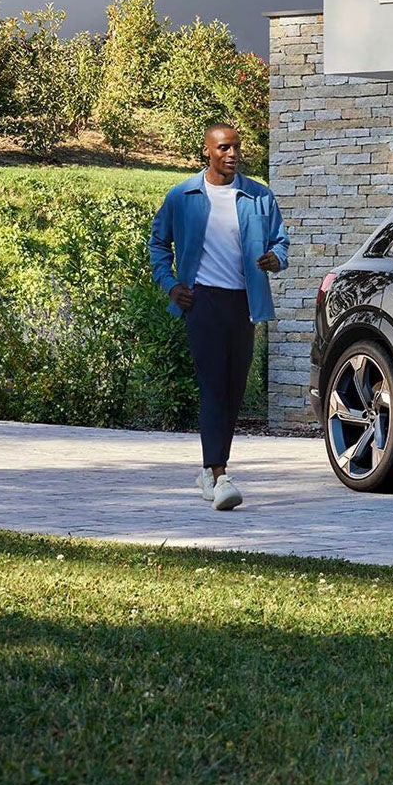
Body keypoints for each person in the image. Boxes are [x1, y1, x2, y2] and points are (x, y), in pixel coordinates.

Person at [148, 123, 288, 510]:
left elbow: (280, 239)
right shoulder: (183, 196)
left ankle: (210, 472)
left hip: (244, 301)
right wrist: (169, 283)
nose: (232, 154)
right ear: (207, 151)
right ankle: (219, 473)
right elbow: (158, 242)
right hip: (202, 300)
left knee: (233, 390)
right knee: (213, 385)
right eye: (224, 148)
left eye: (236, 147)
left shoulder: (258, 195)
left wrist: (277, 258)